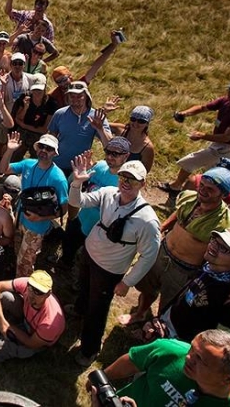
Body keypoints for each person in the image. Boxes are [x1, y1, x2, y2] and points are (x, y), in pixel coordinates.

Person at [69, 157, 161, 366]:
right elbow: (77, 202)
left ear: (143, 184)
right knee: (83, 289)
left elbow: (149, 255)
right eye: (123, 177)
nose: (126, 183)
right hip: (89, 253)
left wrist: (127, 282)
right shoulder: (108, 193)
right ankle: (78, 310)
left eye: (133, 180)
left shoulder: (147, 220)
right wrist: (77, 183)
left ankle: (89, 349)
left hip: (109, 270)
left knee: (97, 311)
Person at [124, 166, 230, 327]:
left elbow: (223, 254)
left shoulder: (225, 224)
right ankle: (141, 313)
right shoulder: (189, 198)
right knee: (147, 288)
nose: (203, 191)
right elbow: (178, 214)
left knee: (171, 303)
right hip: (161, 253)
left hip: (185, 270)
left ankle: (159, 330)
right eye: (202, 185)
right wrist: (162, 228)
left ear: (224, 194)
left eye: (210, 189)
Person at [139, 229, 230, 344]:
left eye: (223, 249)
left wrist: (176, 345)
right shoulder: (209, 267)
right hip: (167, 327)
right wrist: (162, 320)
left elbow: (219, 346)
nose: (213, 247)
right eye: (214, 240)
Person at [100, 329, 230, 406]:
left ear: (228, 378)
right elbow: (132, 361)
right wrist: (103, 378)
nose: (188, 358)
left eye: (200, 359)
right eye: (192, 349)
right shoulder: (171, 351)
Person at [159, 78, 230, 194]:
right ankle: (197, 195)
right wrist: (184, 113)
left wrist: (202, 135)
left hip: (228, 148)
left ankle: (176, 187)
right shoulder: (226, 101)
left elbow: (226, 137)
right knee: (211, 174)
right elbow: (203, 108)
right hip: (218, 144)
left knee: (191, 161)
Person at [0, 270, 66, 364]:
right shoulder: (27, 284)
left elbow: (30, 342)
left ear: (48, 294)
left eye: (39, 292)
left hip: (34, 338)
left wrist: (8, 326)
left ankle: (11, 343)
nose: (32, 294)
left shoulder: (51, 323)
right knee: (5, 296)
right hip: (26, 318)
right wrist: (1, 320)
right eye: (31, 288)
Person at [0, 132, 68, 277]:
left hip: (37, 227)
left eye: (48, 149)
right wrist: (10, 150)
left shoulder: (59, 178)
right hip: (20, 217)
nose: (44, 151)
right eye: (41, 146)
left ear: (54, 153)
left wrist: (41, 218)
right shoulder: (28, 164)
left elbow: (63, 209)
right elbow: (2, 169)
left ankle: (22, 288)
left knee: (25, 262)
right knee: (18, 251)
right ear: (36, 149)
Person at [58, 138, 131, 270]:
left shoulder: (125, 182)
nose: (110, 157)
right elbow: (71, 184)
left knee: (87, 259)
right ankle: (65, 263)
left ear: (126, 156)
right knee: (68, 242)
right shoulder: (99, 166)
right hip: (82, 217)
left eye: (115, 154)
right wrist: (79, 174)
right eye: (108, 152)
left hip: (99, 228)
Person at [47, 81, 112, 176]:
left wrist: (100, 129)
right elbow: (50, 138)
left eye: (79, 96)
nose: (75, 99)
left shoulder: (96, 117)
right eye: (72, 96)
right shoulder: (59, 114)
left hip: (80, 168)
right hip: (56, 165)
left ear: (86, 96)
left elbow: (110, 145)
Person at [47, 30, 122, 107]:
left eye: (64, 79)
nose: (62, 84)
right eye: (58, 81)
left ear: (70, 77)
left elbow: (96, 66)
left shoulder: (80, 85)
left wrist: (113, 45)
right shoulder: (53, 95)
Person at [12, 76, 58, 158]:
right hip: (23, 131)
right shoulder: (24, 98)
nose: (37, 93)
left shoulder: (51, 104)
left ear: (44, 89)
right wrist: (25, 108)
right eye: (35, 90)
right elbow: (18, 119)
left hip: (38, 134)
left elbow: (44, 129)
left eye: (40, 90)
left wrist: (25, 126)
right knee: (15, 155)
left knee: (38, 156)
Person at [107, 104, 156, 173]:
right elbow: (100, 123)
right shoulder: (120, 130)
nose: (136, 123)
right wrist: (105, 111)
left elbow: (145, 171)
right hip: (108, 170)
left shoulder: (147, 147)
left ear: (147, 124)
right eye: (133, 119)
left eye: (141, 121)